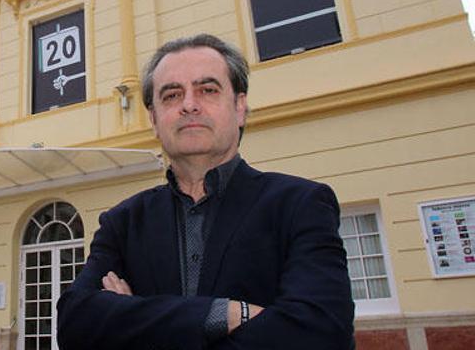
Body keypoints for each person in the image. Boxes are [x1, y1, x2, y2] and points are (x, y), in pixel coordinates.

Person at [57, 34, 354, 349]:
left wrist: (135, 324)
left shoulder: (300, 205)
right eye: (171, 95)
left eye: (208, 90)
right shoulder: (123, 222)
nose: (189, 105)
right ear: (154, 120)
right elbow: (75, 324)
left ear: (240, 107)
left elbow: (321, 334)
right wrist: (222, 314)